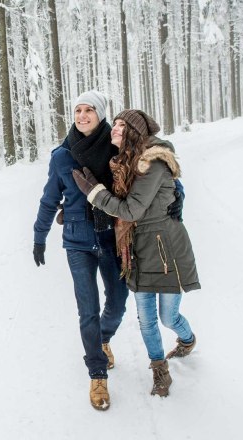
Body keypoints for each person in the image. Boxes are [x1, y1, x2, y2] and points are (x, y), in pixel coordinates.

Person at [32, 92, 183, 410]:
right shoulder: (62, 156)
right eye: (77, 110)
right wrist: (39, 235)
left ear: (100, 115)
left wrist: (177, 195)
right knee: (87, 311)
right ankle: (97, 374)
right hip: (77, 243)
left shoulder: (116, 147)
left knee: (117, 303)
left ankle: (102, 339)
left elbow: (153, 168)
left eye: (89, 110)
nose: (82, 115)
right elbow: (49, 198)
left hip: (112, 239)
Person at [72, 109, 200, 398]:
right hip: (137, 251)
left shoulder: (151, 162)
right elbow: (122, 203)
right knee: (146, 320)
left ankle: (187, 338)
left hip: (165, 247)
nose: (114, 129)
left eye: (120, 125)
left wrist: (94, 192)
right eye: (114, 124)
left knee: (168, 317)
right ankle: (159, 369)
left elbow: (130, 209)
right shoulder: (122, 164)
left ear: (133, 133)